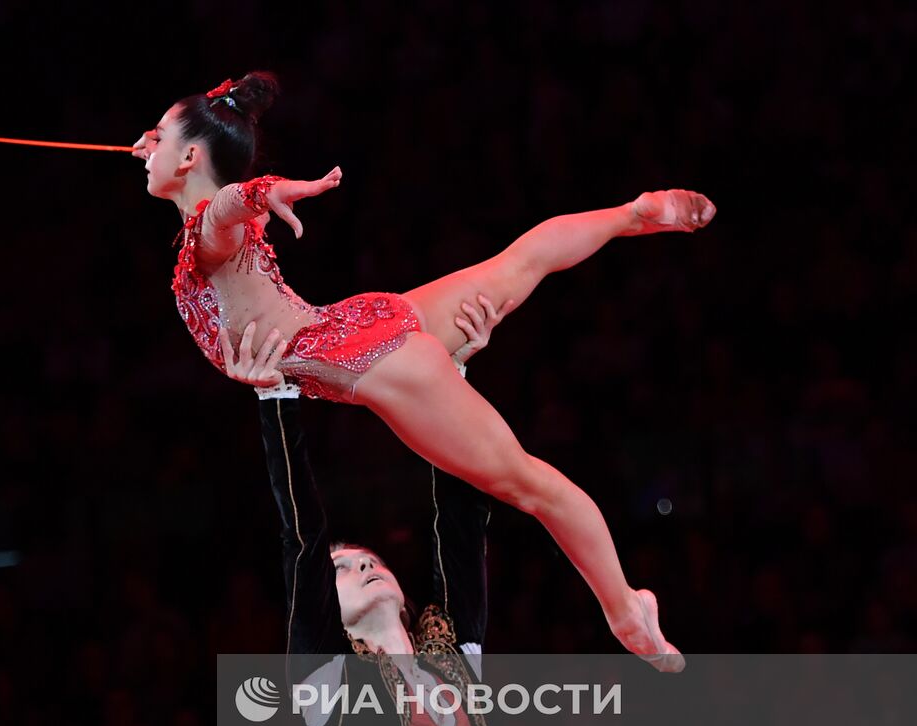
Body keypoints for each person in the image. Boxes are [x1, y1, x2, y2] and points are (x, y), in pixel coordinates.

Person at [133, 71, 714, 670]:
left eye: (157, 136)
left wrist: (262, 190)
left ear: (193, 158)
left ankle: (626, 610)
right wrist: (188, 156)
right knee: (519, 263)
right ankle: (632, 212)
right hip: (361, 323)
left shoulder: (208, 232)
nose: (144, 146)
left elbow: (225, 208)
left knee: (528, 484)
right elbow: (223, 199)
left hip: (363, 359)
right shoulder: (207, 220)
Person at [230, 298, 511, 726]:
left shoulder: (454, 659)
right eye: (344, 569)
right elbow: (302, 543)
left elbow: (459, 522)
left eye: (368, 561)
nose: (361, 567)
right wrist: (277, 402)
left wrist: (451, 378)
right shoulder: (322, 679)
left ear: (404, 596)